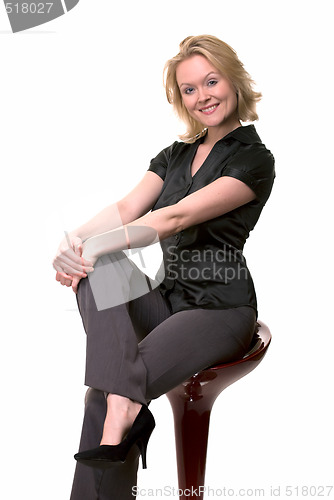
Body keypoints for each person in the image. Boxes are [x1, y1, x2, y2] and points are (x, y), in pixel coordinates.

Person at [53, 34, 275, 499]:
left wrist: (93, 246)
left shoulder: (255, 159)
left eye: (211, 81)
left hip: (220, 309)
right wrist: (73, 242)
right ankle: (123, 407)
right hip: (168, 300)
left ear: (233, 80)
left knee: (107, 394)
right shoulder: (174, 154)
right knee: (101, 266)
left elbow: (173, 217)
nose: (203, 96)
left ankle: (119, 412)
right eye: (189, 89)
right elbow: (127, 206)